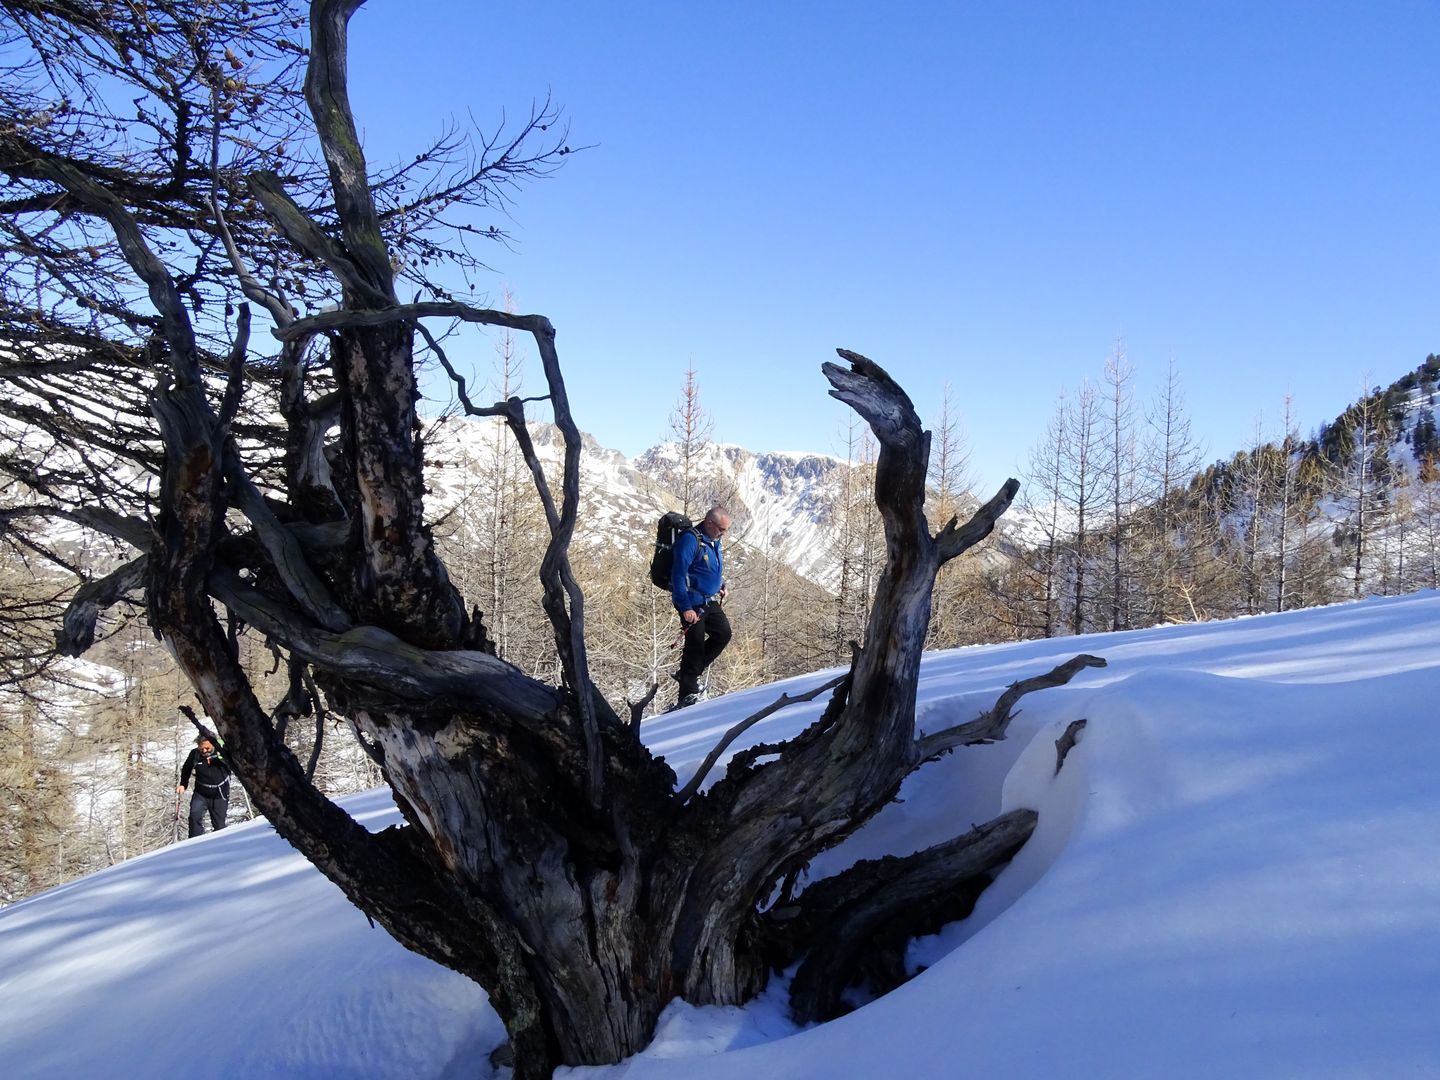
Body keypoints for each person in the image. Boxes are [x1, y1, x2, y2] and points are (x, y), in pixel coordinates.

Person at [670, 506, 733, 709]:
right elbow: (678, 576)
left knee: (723, 634)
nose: (723, 534)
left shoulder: (713, 540)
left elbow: (710, 567)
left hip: (708, 599)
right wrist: (686, 607)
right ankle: (686, 698)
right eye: (721, 529)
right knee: (694, 647)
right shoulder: (690, 540)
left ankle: (689, 674)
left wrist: (720, 584)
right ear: (709, 523)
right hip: (691, 601)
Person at [177, 731, 231, 838]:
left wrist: (223, 759)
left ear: (213, 744)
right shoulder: (195, 754)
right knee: (194, 817)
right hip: (201, 792)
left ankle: (219, 845)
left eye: (207, 748)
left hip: (219, 792)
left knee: (219, 824)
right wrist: (183, 784)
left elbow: (233, 765)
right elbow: (187, 768)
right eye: (201, 749)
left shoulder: (222, 751)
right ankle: (194, 844)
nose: (204, 751)